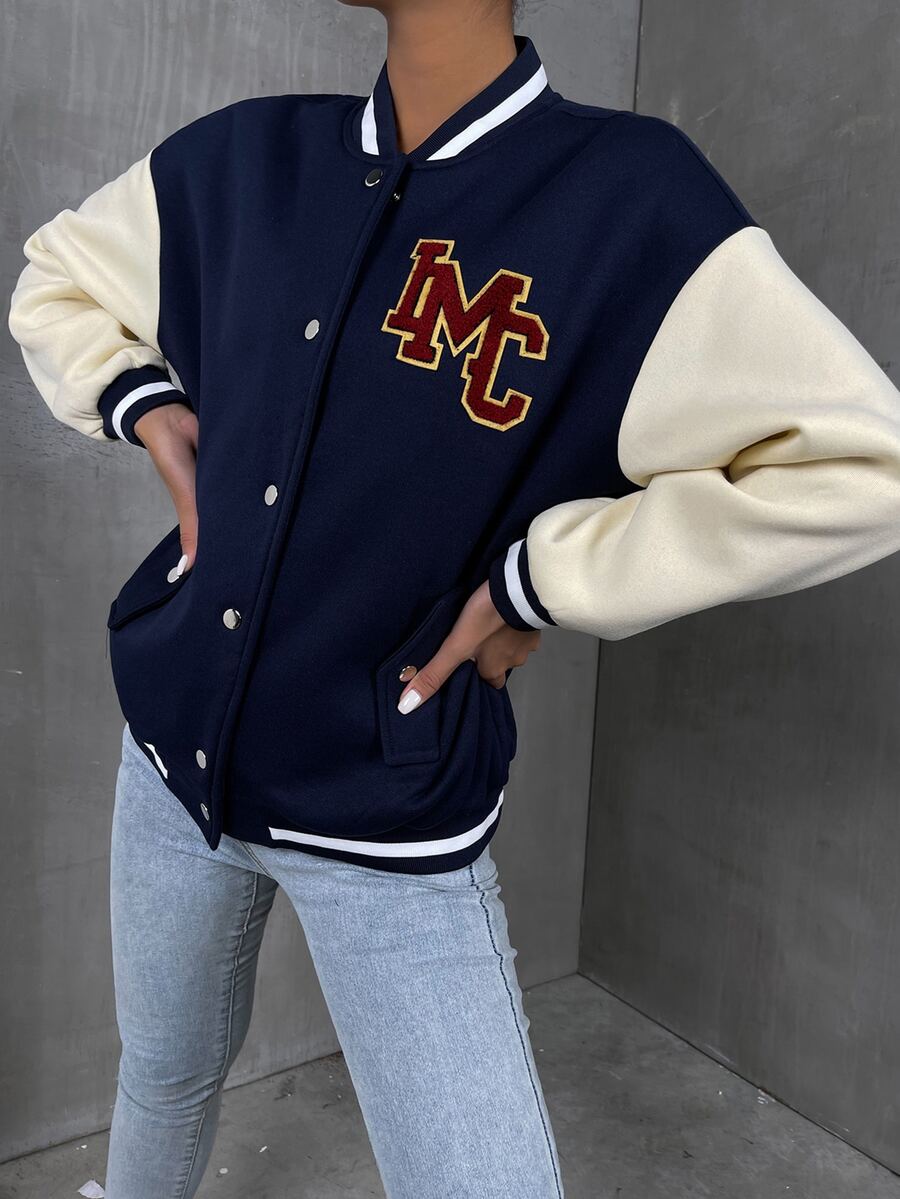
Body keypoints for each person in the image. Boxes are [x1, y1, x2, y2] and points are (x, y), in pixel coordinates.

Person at [8, 0, 900, 1195]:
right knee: (162, 1074)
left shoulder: (629, 199)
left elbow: (863, 463)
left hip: (383, 807)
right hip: (171, 759)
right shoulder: (249, 156)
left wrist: (547, 574)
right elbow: (57, 276)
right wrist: (145, 403)